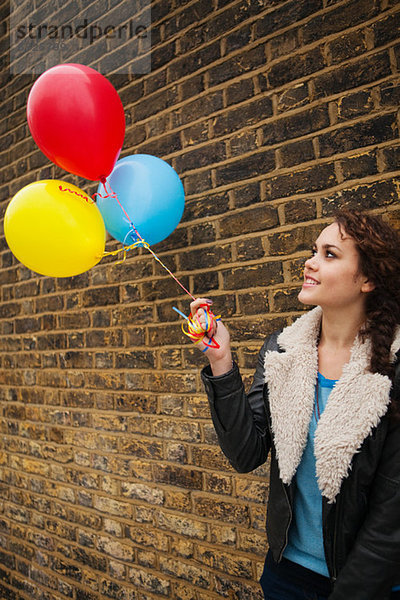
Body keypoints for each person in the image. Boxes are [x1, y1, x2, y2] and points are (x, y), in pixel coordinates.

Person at [188, 209, 400, 600]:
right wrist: (221, 361)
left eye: (330, 254)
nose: (310, 261)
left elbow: (391, 521)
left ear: (367, 279)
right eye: (313, 250)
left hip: (367, 586)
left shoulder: (393, 368)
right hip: (286, 575)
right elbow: (246, 453)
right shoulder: (283, 351)